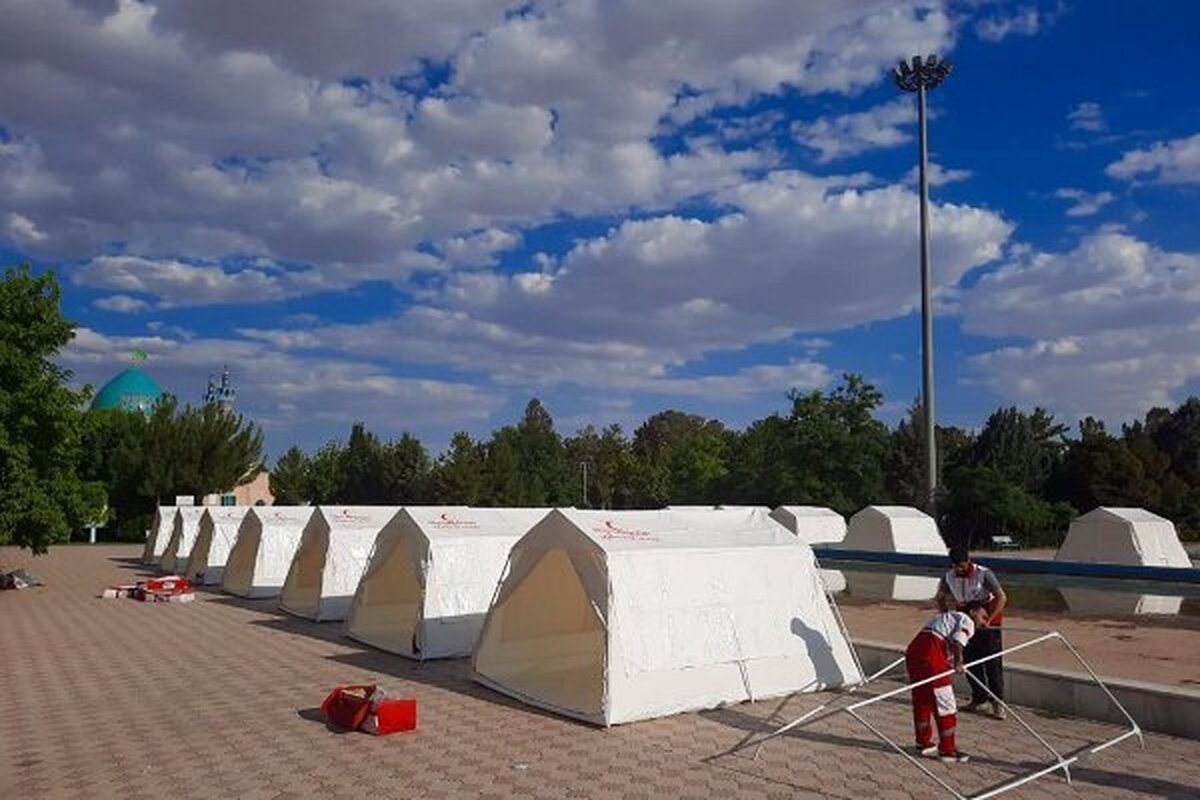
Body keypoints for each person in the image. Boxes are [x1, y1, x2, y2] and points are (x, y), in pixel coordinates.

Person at [906, 601, 990, 763]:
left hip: (915, 652)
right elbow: (959, 640)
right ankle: (947, 749)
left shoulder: (944, 617)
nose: (984, 623)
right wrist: (959, 662)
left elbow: (947, 641)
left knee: (922, 699)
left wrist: (950, 660)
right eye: (984, 617)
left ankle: (923, 742)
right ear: (973, 612)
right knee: (946, 704)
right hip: (932, 657)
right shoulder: (967, 620)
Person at [936, 545, 1008, 719]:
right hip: (965, 619)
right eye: (955, 566)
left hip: (986, 621)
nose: (959, 569)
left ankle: (998, 703)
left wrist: (989, 620)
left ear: (968, 561)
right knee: (970, 661)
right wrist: (946, 616)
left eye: (961, 565)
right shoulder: (948, 577)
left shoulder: (984, 574)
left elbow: (1001, 597)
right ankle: (979, 699)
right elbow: (940, 597)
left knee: (992, 664)